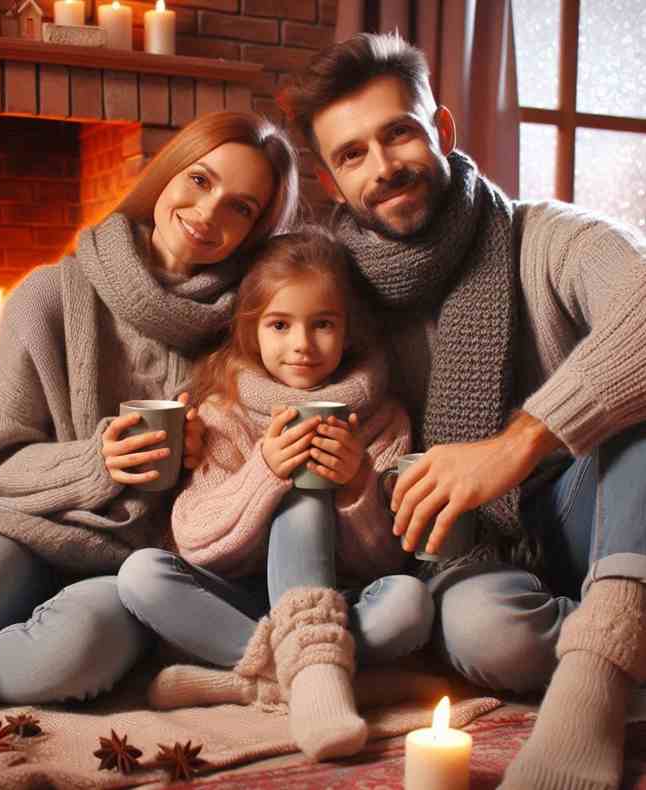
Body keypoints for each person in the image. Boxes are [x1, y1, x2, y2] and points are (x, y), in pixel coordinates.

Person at [280, 31, 646, 790]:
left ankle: (595, 688)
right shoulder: (331, 291)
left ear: (440, 129)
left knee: (635, 414)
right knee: (489, 642)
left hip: (594, 503)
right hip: (465, 549)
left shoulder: (545, 236)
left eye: (398, 133)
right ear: (331, 177)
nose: (383, 168)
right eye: (353, 155)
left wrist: (517, 444)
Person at [0, 110, 299, 706]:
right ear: (167, 175)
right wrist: (97, 462)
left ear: (256, 228)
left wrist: (210, 456)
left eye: (241, 207)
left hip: (135, 566)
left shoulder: (258, 327)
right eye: (200, 180)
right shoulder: (48, 296)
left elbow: (253, 479)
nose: (209, 212)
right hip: (26, 531)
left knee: (73, 660)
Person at [117, 229, 434, 761]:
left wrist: (356, 488)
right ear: (251, 330)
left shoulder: (383, 419)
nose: (302, 345)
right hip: (241, 597)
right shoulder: (223, 409)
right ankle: (323, 678)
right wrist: (265, 471)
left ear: (349, 329)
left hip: (343, 604)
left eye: (323, 324)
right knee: (141, 575)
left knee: (411, 602)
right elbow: (194, 540)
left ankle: (249, 684)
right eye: (280, 325)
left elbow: (387, 560)